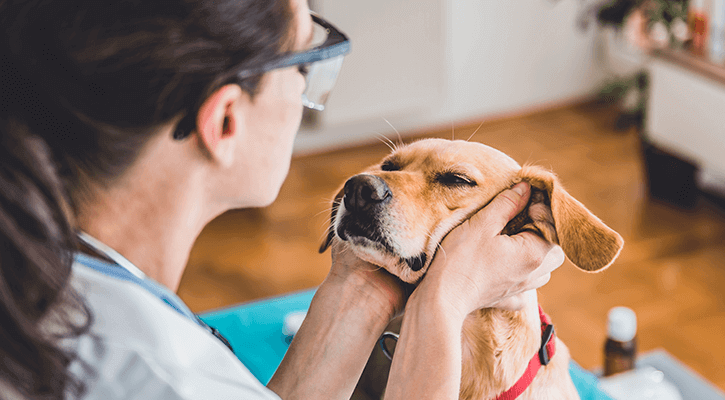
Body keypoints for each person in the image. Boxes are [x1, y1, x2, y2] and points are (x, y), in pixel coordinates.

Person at [0, 0, 565, 399]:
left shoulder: (36, 271)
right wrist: (447, 299)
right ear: (225, 119)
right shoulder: (169, 379)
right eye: (305, 67)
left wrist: (359, 287)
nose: (307, 93)